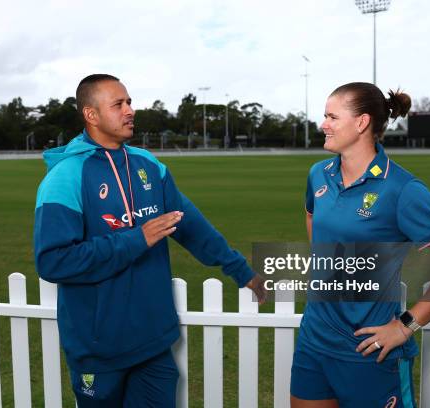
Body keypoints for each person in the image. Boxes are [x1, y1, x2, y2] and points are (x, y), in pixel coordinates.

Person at [33, 74, 266, 407]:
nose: (130, 110)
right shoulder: (65, 178)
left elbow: (191, 226)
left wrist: (241, 270)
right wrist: (136, 240)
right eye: (118, 104)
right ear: (91, 115)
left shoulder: (149, 165)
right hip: (99, 349)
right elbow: (53, 260)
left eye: (130, 102)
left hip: (154, 341)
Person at [290, 82, 430, 408]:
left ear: (361, 123)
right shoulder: (318, 174)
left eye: (332, 116)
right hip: (313, 341)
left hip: (368, 351)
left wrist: (404, 328)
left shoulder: (402, 189)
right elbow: (312, 216)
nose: (323, 125)